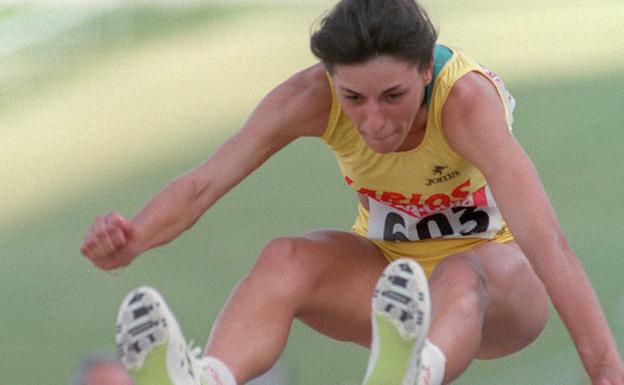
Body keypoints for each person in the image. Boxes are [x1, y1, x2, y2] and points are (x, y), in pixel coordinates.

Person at [80, 0, 624, 384]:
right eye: (354, 98)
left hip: (503, 293)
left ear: (424, 69)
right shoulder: (308, 97)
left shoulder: (464, 105)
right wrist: (136, 237)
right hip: (392, 293)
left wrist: (605, 370)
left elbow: (547, 242)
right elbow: (203, 184)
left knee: (462, 273)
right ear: (330, 78)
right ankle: (210, 378)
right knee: (284, 258)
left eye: (393, 96)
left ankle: (414, 372)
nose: (375, 121)